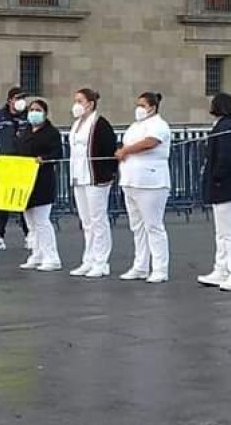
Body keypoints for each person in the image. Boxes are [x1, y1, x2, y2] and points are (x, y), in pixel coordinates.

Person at [115, 92, 172, 283]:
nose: (138, 108)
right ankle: (140, 265)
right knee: (137, 226)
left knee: (153, 225)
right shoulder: (135, 126)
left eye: (142, 105)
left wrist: (126, 151)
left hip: (152, 181)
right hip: (131, 180)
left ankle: (160, 268)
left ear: (152, 107)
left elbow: (150, 142)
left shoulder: (159, 125)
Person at [198, 92, 231, 292]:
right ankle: (222, 269)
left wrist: (217, 177)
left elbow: (225, 157)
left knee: (230, 233)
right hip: (227, 187)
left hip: (227, 187)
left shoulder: (225, 127)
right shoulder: (229, 125)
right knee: (223, 232)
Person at [68, 88, 118, 278]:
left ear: (90, 103)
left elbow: (108, 149)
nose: (76, 105)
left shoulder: (100, 124)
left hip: (96, 177)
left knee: (98, 220)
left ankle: (101, 261)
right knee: (86, 221)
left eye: (80, 101)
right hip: (79, 176)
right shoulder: (77, 124)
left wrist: (108, 173)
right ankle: (88, 259)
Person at [17, 99, 63, 271]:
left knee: (42, 220)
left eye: (37, 110)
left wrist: (43, 159)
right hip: (25, 180)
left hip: (42, 180)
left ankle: (51, 256)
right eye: (31, 109)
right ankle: (37, 253)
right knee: (30, 222)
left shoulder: (51, 133)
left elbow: (57, 153)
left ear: (44, 113)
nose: (33, 113)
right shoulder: (25, 132)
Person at [0, 87, 30, 252]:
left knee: (24, 201)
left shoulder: (29, 116)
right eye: (18, 98)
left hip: (23, 163)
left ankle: (29, 235)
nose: (21, 101)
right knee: (2, 202)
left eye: (23, 98)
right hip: (3, 163)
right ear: (10, 100)